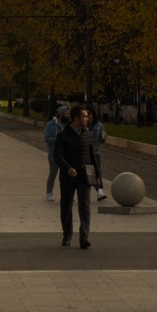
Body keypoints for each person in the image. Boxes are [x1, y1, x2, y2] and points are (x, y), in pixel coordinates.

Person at [54, 103, 98, 248]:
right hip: (68, 175)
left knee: (84, 206)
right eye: (85, 116)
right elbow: (58, 156)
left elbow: (92, 156)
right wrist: (67, 168)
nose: (88, 118)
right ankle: (67, 234)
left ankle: (84, 238)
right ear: (76, 118)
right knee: (66, 206)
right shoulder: (63, 135)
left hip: (85, 175)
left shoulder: (88, 134)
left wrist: (97, 177)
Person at [44, 105, 70, 202]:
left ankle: (67, 192)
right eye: (66, 114)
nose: (68, 116)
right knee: (53, 172)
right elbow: (47, 138)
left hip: (66, 153)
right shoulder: (51, 125)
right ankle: (49, 191)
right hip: (54, 153)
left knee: (67, 173)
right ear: (60, 114)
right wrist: (59, 139)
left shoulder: (68, 125)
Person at [88, 108, 107, 201]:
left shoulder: (99, 125)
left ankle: (100, 190)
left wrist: (103, 139)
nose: (87, 116)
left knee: (97, 171)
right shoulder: (83, 124)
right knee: (84, 172)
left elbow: (102, 138)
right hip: (84, 151)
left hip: (95, 152)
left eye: (89, 113)